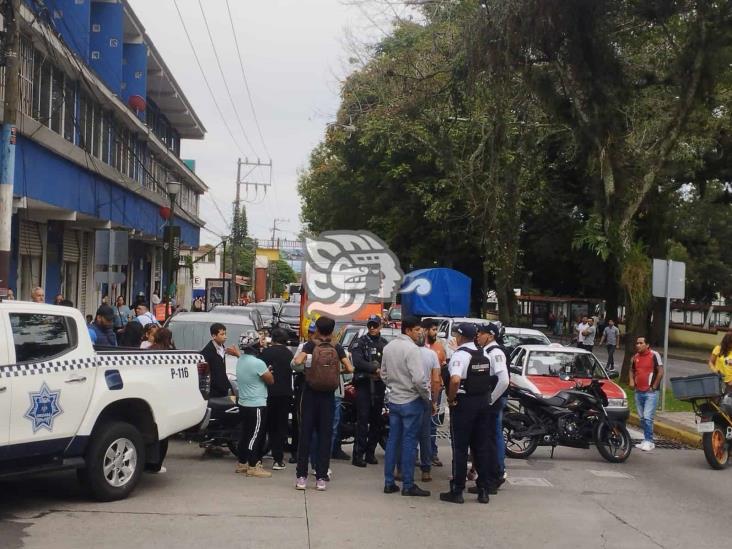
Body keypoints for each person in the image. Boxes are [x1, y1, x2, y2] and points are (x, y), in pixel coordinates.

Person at [439, 323, 500, 505]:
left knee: (460, 448)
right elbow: (495, 376)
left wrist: (451, 399)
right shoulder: (485, 353)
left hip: (464, 404)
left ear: (460, 336)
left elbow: (456, 379)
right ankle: (483, 490)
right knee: (480, 447)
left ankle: (457, 490)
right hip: (482, 403)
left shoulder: (461, 355)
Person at [291, 316, 353, 491]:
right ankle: (321, 477)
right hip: (328, 396)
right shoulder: (337, 347)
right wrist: (334, 371)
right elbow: (350, 368)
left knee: (306, 434)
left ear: (317, 329)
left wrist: (310, 369)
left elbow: (297, 362)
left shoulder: (310, 346)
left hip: (310, 394)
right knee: (325, 436)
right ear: (332, 331)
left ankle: (302, 477)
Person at [381, 316, 431, 497]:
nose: (421, 333)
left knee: (393, 441)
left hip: (395, 399)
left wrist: (393, 385)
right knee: (410, 442)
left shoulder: (389, 347)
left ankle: (389, 482)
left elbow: (383, 374)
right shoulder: (412, 349)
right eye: (417, 330)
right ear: (408, 330)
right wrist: (426, 396)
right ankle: (408, 484)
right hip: (411, 399)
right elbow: (419, 379)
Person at [466, 323, 510, 498]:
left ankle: (495, 475)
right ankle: (491, 475)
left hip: (493, 402)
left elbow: (504, 380)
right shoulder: (487, 350)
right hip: (490, 401)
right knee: (489, 438)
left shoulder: (495, 352)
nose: (478, 336)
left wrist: (491, 399)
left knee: (492, 439)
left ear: (490, 336)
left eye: (481, 333)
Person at [350, 315, 388, 467]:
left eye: (375, 325)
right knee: (362, 420)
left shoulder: (385, 344)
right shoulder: (360, 342)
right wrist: (374, 368)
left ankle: (370, 453)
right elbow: (357, 361)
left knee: (376, 421)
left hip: (379, 385)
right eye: (370, 325)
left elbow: (390, 362)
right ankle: (358, 454)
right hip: (364, 384)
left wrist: (381, 372)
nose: (372, 328)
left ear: (380, 326)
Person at [234, 333, 275, 478]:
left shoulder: (241, 360)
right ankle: (253, 465)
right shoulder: (258, 363)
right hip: (256, 404)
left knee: (245, 434)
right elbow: (270, 381)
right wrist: (269, 372)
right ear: (254, 346)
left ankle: (242, 462)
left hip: (244, 403)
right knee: (255, 436)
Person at [262, 328, 295, 471]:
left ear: (273, 339)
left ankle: (258, 457)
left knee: (265, 425)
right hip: (284, 394)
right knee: (280, 427)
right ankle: (278, 459)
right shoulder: (289, 354)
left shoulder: (266, 353)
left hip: (267, 393)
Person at [629, 336, 664, 452]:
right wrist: (631, 381)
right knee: (642, 418)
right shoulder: (635, 357)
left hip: (651, 393)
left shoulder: (654, 355)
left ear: (647, 345)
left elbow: (660, 371)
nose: (638, 345)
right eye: (637, 343)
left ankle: (649, 441)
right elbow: (631, 370)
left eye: (641, 343)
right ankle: (646, 439)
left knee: (648, 417)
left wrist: (654, 386)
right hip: (638, 391)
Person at [422, 318, 447, 467]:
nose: (435, 332)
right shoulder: (419, 347)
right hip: (422, 391)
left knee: (433, 425)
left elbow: (444, 368)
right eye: (433, 329)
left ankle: (432, 453)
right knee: (419, 425)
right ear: (425, 330)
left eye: (436, 329)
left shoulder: (439, 346)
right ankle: (421, 454)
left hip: (436, 391)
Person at [200, 323, 239, 398]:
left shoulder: (223, 349)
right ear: (214, 336)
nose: (225, 337)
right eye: (222, 334)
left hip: (224, 390)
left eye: (225, 334)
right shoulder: (207, 352)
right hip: (213, 392)